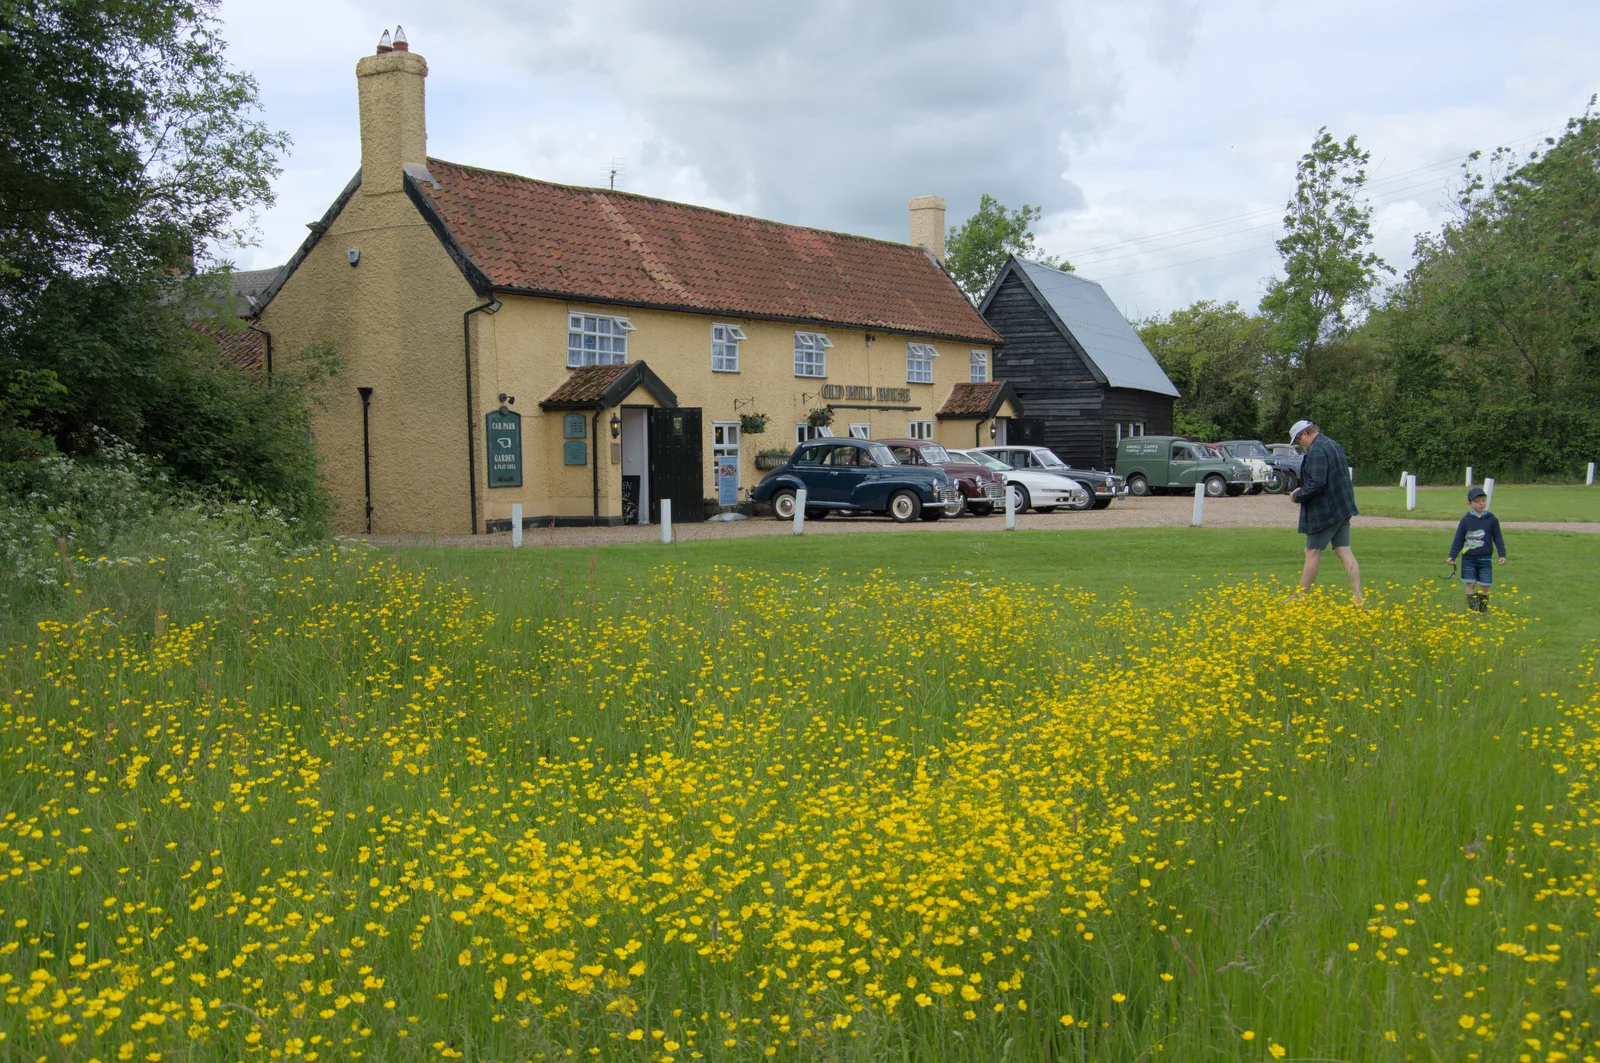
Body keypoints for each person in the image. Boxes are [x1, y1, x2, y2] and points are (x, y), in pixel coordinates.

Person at [1287, 419, 1362, 604]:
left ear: (1305, 433)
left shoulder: (1317, 450)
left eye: (1298, 440)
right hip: (1342, 507)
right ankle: (1357, 597)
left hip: (1325, 511)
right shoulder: (1333, 444)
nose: (1299, 445)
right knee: (1344, 550)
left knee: (1311, 551)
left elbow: (1316, 484)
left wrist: (1297, 495)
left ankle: (1301, 597)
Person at [1446, 486, 1507, 613]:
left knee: (1485, 585)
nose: (1481, 503)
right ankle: (1473, 612)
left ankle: (1482, 610)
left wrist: (1502, 554)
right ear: (1470, 504)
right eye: (1477, 501)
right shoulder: (1465, 520)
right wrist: (1452, 556)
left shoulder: (1491, 519)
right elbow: (1458, 539)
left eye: (1483, 500)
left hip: (1485, 559)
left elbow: (1498, 538)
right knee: (1470, 584)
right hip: (1469, 559)